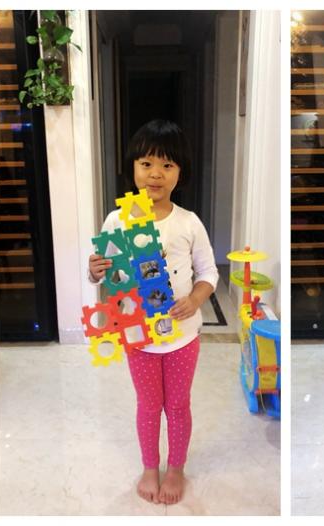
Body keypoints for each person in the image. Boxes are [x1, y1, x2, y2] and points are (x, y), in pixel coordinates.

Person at [88, 119, 219, 505]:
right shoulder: (117, 220)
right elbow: (105, 274)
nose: (155, 174)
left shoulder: (189, 222)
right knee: (148, 406)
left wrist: (195, 300)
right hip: (138, 337)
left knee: (177, 405)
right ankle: (150, 466)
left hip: (182, 336)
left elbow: (209, 273)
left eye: (167, 164)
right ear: (132, 168)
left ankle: (176, 468)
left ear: (180, 172)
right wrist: (94, 270)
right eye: (146, 163)